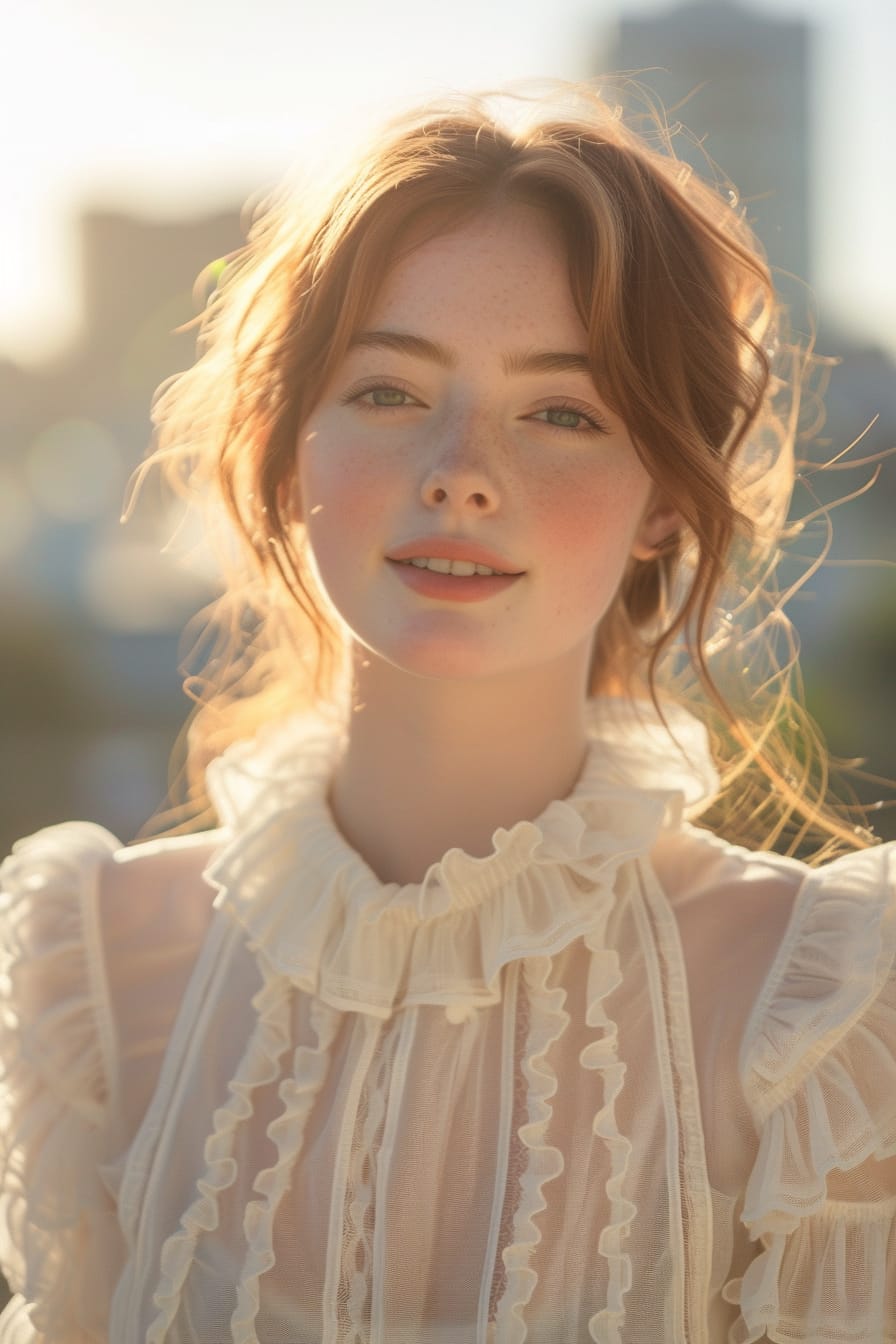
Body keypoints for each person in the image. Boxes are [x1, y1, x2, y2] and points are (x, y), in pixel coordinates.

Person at [0, 80, 893, 1344]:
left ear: (663, 502)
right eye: (388, 391)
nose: (460, 473)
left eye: (561, 412)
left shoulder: (821, 1017)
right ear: (282, 436)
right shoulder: (85, 966)